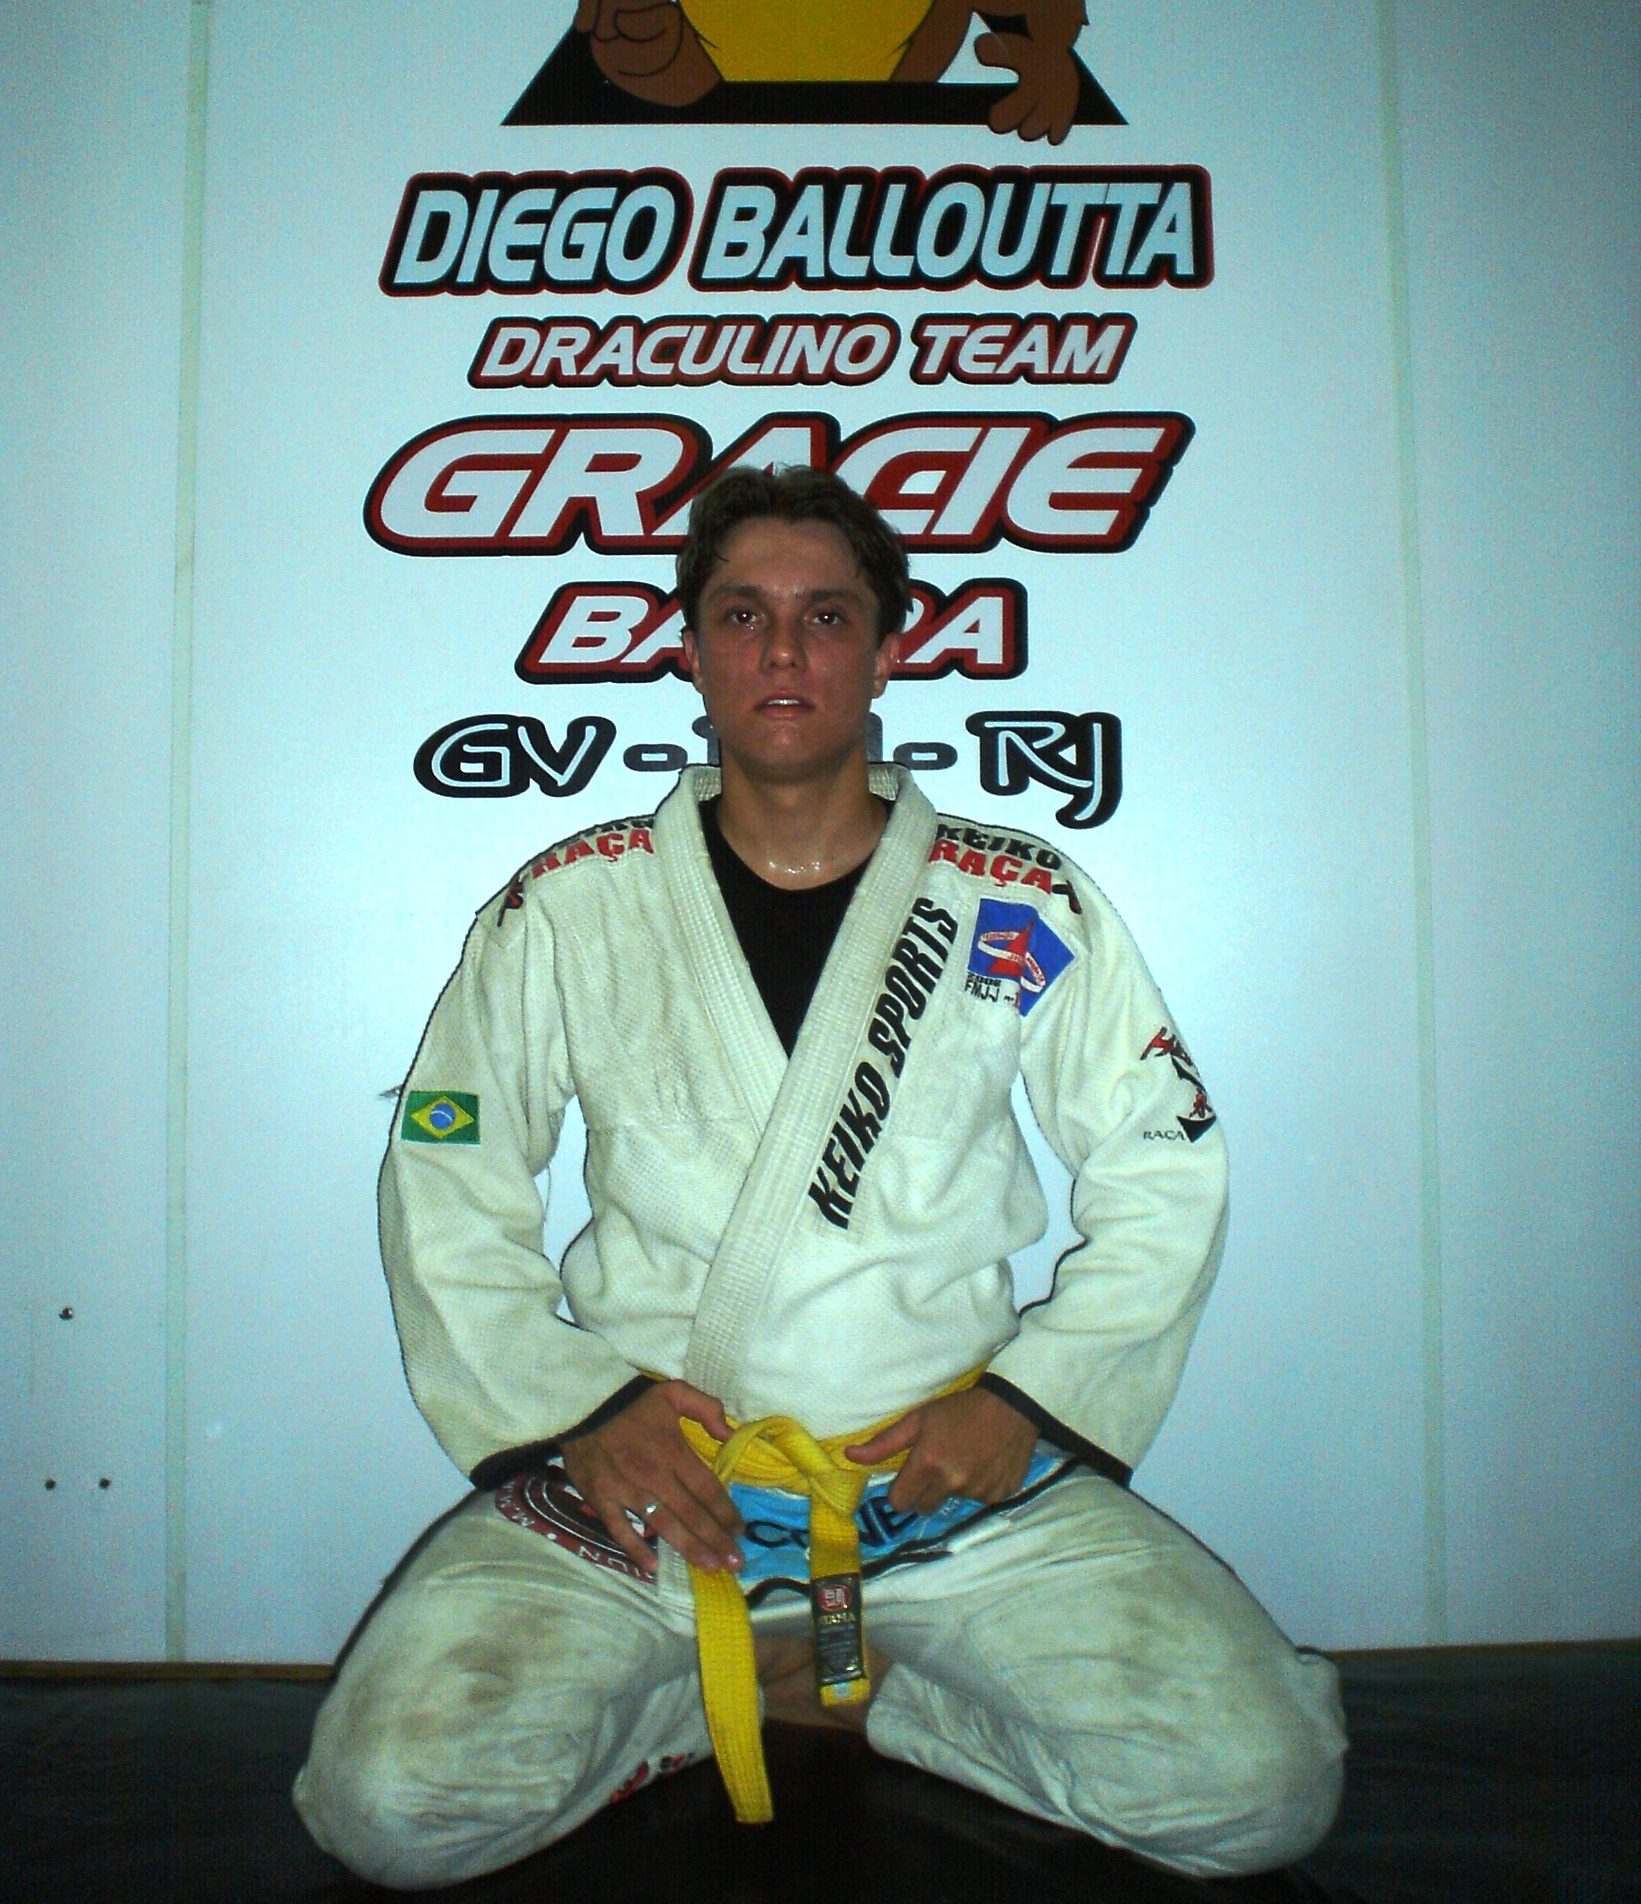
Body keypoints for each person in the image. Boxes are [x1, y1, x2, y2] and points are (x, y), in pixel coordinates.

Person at [294, 467, 1345, 1888]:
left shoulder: (1015, 900)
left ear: (890, 648)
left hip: (939, 1481)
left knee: (1258, 1790)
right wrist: (580, 1415)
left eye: (828, 616)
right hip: (660, 1483)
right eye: (743, 615)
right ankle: (718, 1695)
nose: (783, 651)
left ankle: (864, 1696)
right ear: (689, 648)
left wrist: (1029, 1403)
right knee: (388, 1805)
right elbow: (448, 1172)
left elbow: (1164, 1165)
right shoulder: (576, 905)